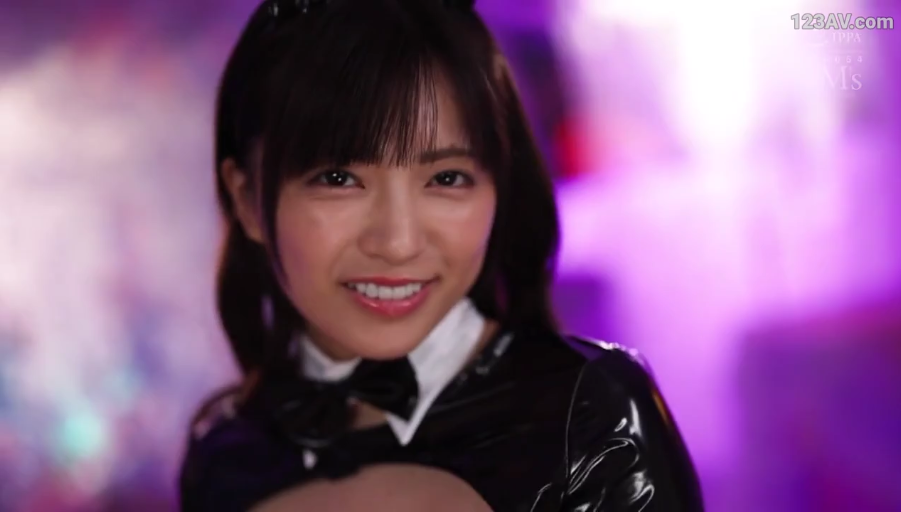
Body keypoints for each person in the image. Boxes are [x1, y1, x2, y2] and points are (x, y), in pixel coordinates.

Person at [178, 0, 704, 510]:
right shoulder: (228, 454)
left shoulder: (589, 414)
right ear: (247, 200)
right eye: (338, 179)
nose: (399, 242)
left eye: (447, 178)